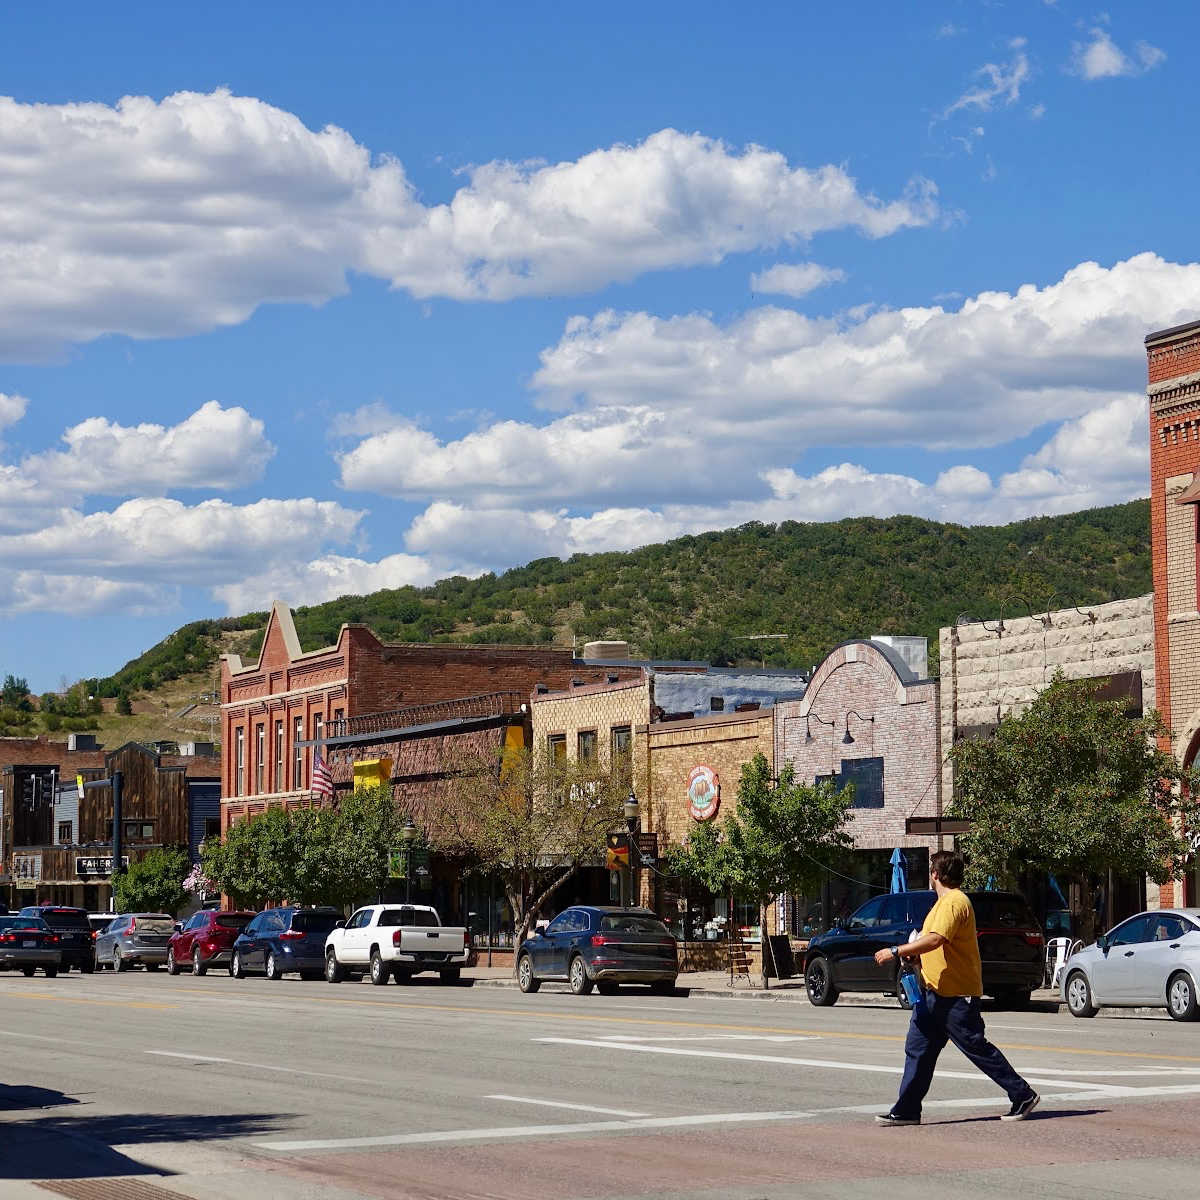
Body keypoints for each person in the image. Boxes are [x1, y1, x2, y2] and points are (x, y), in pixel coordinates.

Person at [873, 849, 1040, 1125]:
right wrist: (916, 957)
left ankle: (1022, 1094)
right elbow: (934, 943)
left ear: (935, 874)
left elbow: (937, 939)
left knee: (976, 1047)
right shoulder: (941, 905)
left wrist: (896, 950)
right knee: (918, 1050)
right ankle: (906, 1110)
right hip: (932, 994)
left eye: (930, 871)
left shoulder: (954, 902)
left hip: (954, 996)